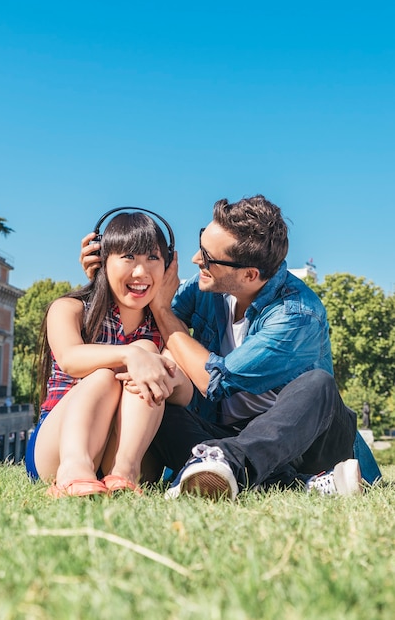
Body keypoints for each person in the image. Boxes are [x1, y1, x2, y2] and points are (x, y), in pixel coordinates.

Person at [80, 195, 381, 500]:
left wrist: (164, 312)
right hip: (228, 433)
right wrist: (105, 281)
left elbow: (215, 380)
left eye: (208, 257)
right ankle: (295, 483)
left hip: (305, 442)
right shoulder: (208, 287)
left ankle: (223, 464)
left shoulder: (296, 314)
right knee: (155, 395)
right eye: (201, 243)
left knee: (319, 385)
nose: (197, 260)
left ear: (249, 275)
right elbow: (145, 316)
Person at [26, 211, 193, 498]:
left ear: (169, 264)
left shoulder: (166, 325)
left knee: (147, 350)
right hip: (60, 446)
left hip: (132, 455)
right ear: (102, 259)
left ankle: (123, 474)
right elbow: (70, 359)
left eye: (152, 258)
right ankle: (74, 472)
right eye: (128, 257)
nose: (141, 272)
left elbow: (185, 394)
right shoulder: (71, 309)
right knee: (106, 374)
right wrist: (130, 356)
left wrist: (156, 366)